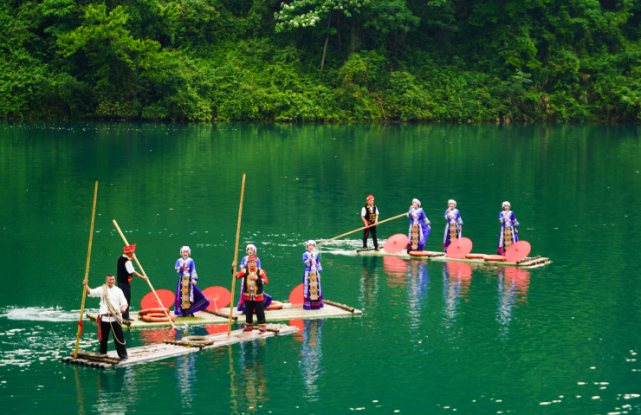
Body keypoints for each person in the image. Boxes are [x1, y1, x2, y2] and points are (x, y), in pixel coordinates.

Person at [84, 274, 129, 360]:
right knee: (103, 338)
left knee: (119, 338)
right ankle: (102, 352)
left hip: (115, 318)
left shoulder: (118, 291)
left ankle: (123, 355)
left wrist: (123, 309)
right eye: (110, 280)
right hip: (104, 318)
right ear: (106, 281)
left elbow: (124, 303)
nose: (111, 281)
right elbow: (90, 292)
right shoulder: (102, 289)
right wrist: (86, 285)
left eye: (113, 279)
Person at [232, 256, 269, 332]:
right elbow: (237, 275)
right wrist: (234, 268)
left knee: (260, 312)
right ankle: (248, 327)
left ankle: (262, 327)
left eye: (254, 262)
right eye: (250, 262)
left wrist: (257, 279)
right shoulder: (245, 271)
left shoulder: (261, 272)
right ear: (248, 263)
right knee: (248, 312)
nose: (252, 264)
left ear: (256, 263)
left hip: (258, 296)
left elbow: (266, 281)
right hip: (248, 296)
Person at [174, 246, 210, 317]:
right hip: (182, 280)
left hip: (189, 280)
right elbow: (177, 270)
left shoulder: (191, 260)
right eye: (184, 252)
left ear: (188, 253)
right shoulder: (179, 261)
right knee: (182, 296)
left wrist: (194, 279)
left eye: (186, 252)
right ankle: (182, 312)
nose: (185, 253)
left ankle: (191, 311)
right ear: (181, 253)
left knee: (191, 295)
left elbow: (193, 270)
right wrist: (182, 265)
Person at [237, 244, 272, 312]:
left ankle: (256, 308)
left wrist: (256, 277)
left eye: (251, 250)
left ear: (254, 251)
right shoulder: (244, 258)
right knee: (244, 292)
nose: (250, 251)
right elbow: (241, 269)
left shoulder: (257, 259)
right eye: (248, 249)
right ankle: (245, 308)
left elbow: (258, 269)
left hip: (255, 277)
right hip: (245, 277)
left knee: (256, 292)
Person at [117, 244, 148, 321]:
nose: (134, 254)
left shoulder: (120, 258)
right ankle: (125, 316)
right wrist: (143, 277)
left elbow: (125, 263)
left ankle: (121, 313)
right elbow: (133, 272)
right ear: (129, 253)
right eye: (133, 253)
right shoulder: (127, 262)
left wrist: (131, 259)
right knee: (126, 298)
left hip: (120, 281)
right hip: (124, 282)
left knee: (122, 297)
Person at [303, 240, 324, 310]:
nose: (311, 246)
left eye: (312, 245)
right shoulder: (305, 254)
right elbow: (306, 263)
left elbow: (318, 263)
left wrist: (319, 273)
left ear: (314, 246)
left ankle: (316, 305)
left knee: (316, 288)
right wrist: (310, 257)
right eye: (309, 245)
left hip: (315, 272)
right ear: (307, 246)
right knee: (308, 288)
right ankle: (308, 305)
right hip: (308, 273)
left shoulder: (316, 254)